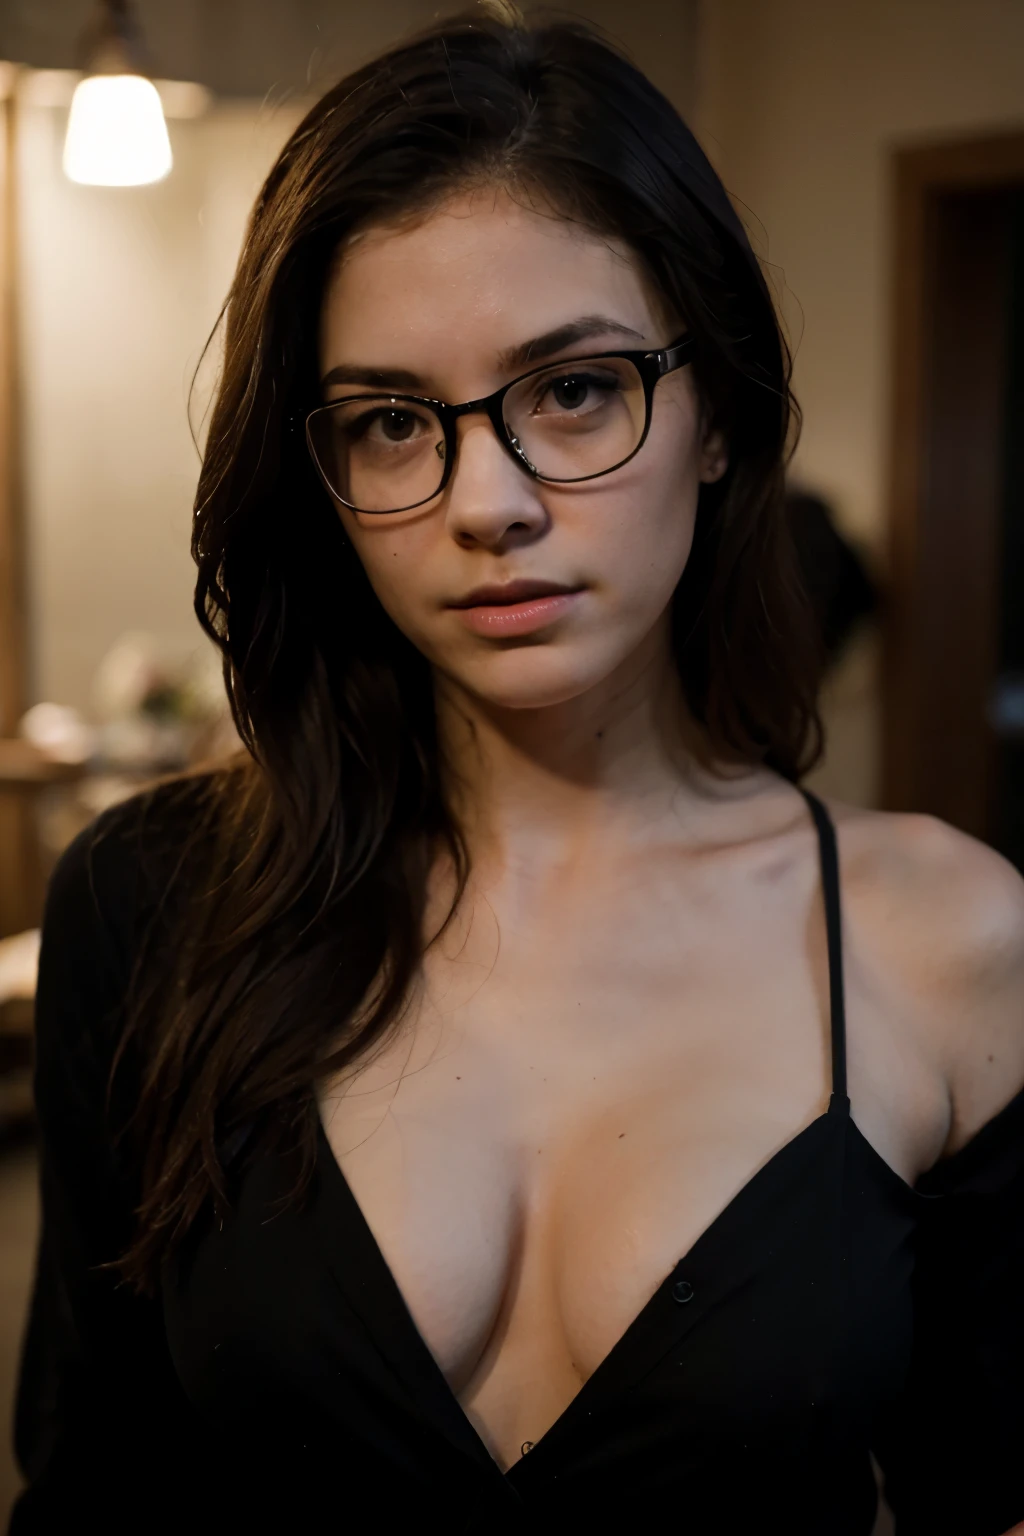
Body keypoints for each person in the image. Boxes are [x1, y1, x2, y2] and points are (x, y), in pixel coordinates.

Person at [11, 9, 1024, 1533]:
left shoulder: (948, 940)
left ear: (719, 418)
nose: (488, 500)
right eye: (392, 421)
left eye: (573, 391)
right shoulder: (158, 906)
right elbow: (95, 1495)